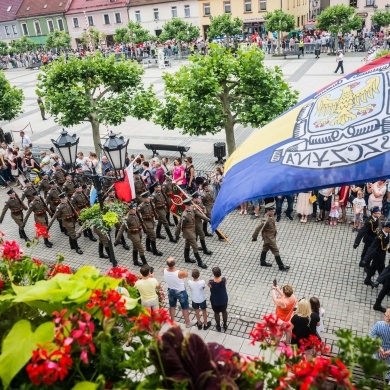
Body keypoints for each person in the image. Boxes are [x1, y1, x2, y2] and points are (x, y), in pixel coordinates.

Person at [252, 202, 290, 270]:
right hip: (269, 238)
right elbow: (258, 228)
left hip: (270, 236)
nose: (274, 211)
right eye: (272, 210)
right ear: (268, 211)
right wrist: (254, 237)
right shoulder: (266, 219)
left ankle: (262, 261)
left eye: (274, 210)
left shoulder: (270, 216)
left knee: (265, 248)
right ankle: (281, 266)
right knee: (276, 251)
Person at [175, 197, 207, 269]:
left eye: (191, 205)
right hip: (189, 233)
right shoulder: (184, 215)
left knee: (187, 244)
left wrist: (208, 220)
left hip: (192, 230)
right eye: (190, 205)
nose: (191, 206)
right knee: (195, 246)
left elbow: (199, 215)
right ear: (186, 206)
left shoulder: (192, 210)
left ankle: (186, 258)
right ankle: (200, 262)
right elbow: (180, 225)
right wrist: (177, 234)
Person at [163, 257, 195, 328]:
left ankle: (172, 321)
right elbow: (186, 274)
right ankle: (188, 323)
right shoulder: (179, 273)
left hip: (170, 290)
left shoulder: (164, 270)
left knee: (172, 306)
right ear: (175, 263)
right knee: (185, 307)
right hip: (180, 292)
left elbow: (165, 270)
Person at [115, 202, 147, 266]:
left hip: (138, 233)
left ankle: (135, 261)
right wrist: (117, 240)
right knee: (141, 249)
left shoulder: (136, 214)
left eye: (135, 209)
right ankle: (146, 264)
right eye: (133, 209)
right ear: (129, 210)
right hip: (133, 235)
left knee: (135, 247)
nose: (135, 210)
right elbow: (121, 229)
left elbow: (141, 222)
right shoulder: (127, 218)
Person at [363, 221, 390, 288]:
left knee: (373, 267)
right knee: (382, 270)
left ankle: (367, 280)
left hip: (382, 254)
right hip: (378, 255)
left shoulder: (387, 233)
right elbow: (372, 247)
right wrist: (366, 259)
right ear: (385, 228)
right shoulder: (379, 237)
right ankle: (385, 287)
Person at [370, 308, 390, 381]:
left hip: (378, 352)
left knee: (374, 360)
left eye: (385, 314)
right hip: (388, 356)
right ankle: (387, 379)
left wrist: (379, 347)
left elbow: (371, 336)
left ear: (387, 317)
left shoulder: (379, 324)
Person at [208, 266, 228, 332]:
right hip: (223, 299)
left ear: (214, 274)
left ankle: (218, 326)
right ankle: (225, 325)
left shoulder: (211, 282)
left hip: (215, 300)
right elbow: (225, 283)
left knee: (216, 313)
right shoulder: (224, 279)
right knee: (224, 312)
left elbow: (209, 286)